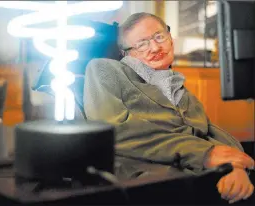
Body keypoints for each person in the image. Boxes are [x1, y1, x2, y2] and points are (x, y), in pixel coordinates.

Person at [83, 13, 254, 203]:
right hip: (149, 183)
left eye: (159, 37)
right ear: (127, 53)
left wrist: (234, 168)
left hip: (197, 177)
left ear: (170, 38)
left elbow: (211, 132)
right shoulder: (106, 69)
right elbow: (113, 131)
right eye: (141, 44)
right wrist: (204, 154)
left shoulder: (180, 89)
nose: (155, 47)